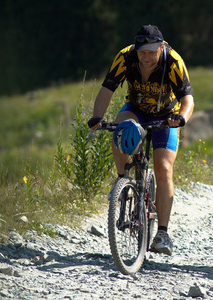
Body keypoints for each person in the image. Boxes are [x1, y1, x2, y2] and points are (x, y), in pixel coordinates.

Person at [88, 25, 194, 255]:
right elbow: (107, 89)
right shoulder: (125, 57)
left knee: (163, 168)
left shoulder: (173, 61)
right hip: (135, 111)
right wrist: (97, 117)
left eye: (151, 52)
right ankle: (122, 183)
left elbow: (188, 98)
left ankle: (162, 234)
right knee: (120, 130)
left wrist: (182, 118)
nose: (145, 57)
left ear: (162, 47)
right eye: (141, 52)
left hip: (167, 116)